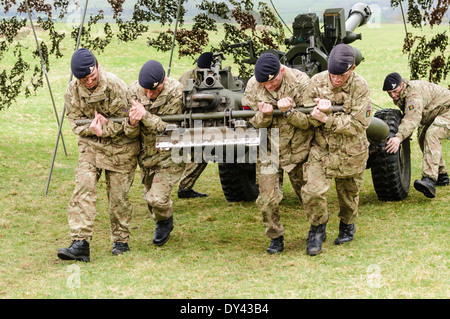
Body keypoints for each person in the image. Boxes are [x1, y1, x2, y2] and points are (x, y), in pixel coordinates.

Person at [58, 48, 140, 262]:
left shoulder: (116, 86)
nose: (89, 81)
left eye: (92, 76)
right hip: (91, 145)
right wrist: (94, 131)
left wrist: (106, 130)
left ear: (97, 67)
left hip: (121, 147)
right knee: (83, 189)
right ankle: (80, 243)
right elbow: (75, 124)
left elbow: (129, 124)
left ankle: (121, 241)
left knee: (118, 196)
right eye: (83, 79)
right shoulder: (72, 92)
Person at [301, 43, 371, 256]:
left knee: (348, 196)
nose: (336, 79)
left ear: (352, 69)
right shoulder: (317, 81)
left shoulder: (361, 87)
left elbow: (360, 124)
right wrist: (314, 115)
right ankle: (317, 228)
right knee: (312, 191)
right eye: (333, 74)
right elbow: (305, 113)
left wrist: (327, 118)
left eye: (341, 75)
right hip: (322, 149)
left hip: (351, 151)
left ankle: (347, 224)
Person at [242, 52, 313, 254]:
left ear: (281, 70)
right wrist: (263, 116)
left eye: (272, 83)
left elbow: (310, 122)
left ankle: (316, 229)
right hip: (269, 148)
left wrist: (289, 112)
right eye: (263, 84)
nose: (268, 87)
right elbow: (251, 120)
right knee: (266, 200)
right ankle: (275, 236)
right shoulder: (253, 85)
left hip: (297, 147)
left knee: (308, 195)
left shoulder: (301, 82)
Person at [128, 60, 185, 246]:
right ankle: (161, 219)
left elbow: (170, 130)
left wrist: (145, 116)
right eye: (146, 90)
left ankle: (164, 222)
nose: (149, 94)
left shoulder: (177, 92)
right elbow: (129, 129)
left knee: (157, 199)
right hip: (146, 155)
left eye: (154, 90)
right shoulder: (133, 91)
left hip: (170, 154)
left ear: (164, 81)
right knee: (149, 197)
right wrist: (133, 123)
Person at [383, 72, 450, 198]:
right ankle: (441, 175)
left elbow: (412, 118)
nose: (393, 95)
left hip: (447, 110)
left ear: (402, 84)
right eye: (389, 92)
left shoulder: (413, 94)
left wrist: (398, 137)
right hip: (437, 112)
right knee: (422, 137)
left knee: (432, 134)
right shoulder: (403, 92)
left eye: (395, 91)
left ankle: (429, 179)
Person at [176, 52, 214, 198]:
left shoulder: (213, 76)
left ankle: (185, 187)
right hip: (188, 121)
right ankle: (184, 188)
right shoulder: (187, 79)